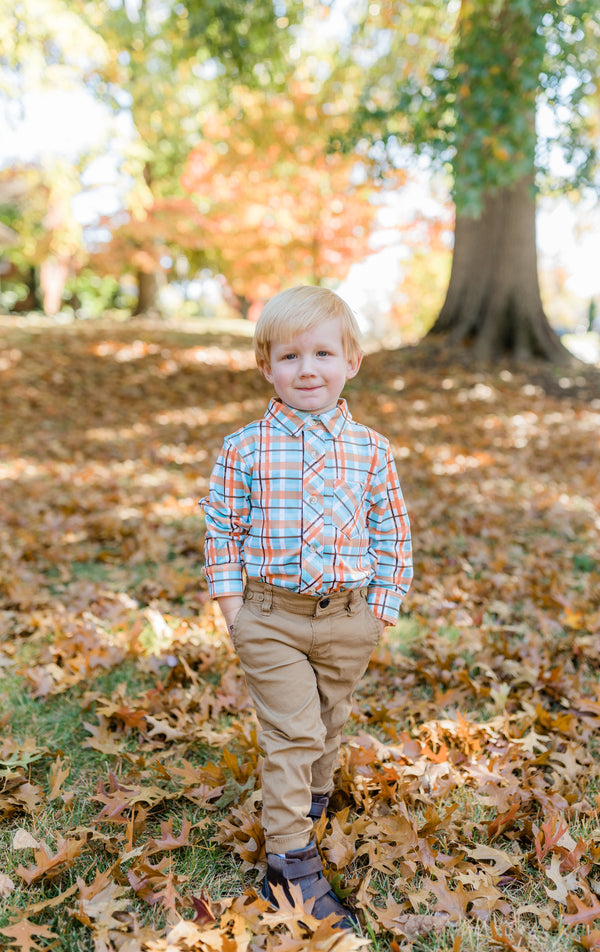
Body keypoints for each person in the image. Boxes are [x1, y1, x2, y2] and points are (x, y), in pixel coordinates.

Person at [200, 285, 412, 929]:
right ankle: (289, 867)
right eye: (290, 356)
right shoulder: (245, 449)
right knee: (291, 732)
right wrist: (233, 606)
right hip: (269, 615)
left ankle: (310, 803)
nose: (307, 369)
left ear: (351, 360)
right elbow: (222, 527)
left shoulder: (371, 449)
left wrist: (380, 607)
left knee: (327, 720)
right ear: (267, 366)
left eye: (323, 352)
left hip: (349, 615)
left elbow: (391, 530)